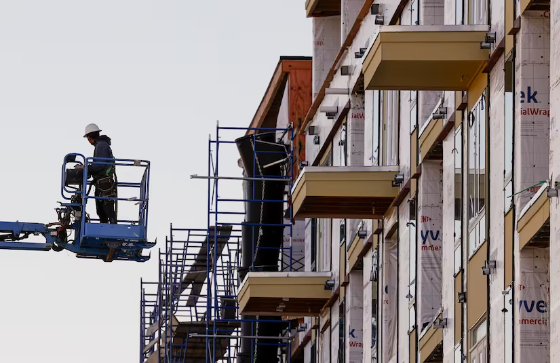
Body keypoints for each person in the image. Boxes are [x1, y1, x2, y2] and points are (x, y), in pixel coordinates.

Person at [82, 123, 118, 224]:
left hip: (104, 184)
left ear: (89, 137)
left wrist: (86, 168)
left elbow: (99, 165)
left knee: (107, 211)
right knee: (102, 212)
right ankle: (106, 232)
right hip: (102, 183)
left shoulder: (101, 145)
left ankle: (112, 232)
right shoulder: (101, 145)